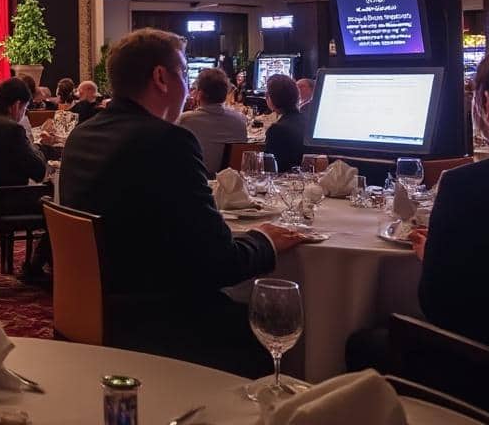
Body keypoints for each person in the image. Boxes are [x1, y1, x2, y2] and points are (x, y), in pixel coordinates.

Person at [57, 28, 306, 377]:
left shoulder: (82, 136)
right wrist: (264, 240)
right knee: (282, 319)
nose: (188, 87)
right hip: (159, 322)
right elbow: (218, 264)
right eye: (185, 73)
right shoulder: (167, 142)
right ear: (161, 77)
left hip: (94, 308)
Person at [402, 36, 489, 353]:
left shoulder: (465, 186)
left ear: (486, 105)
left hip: (488, 381)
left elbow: (439, 307)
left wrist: (434, 257)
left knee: (362, 342)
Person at [177, 68, 249, 177]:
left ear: (199, 93)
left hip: (194, 184)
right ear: (225, 93)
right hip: (230, 187)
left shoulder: (185, 120)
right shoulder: (240, 120)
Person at [262, 73, 306, 171]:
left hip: (285, 182)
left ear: (271, 98)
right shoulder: (308, 121)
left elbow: (269, 170)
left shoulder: (277, 130)